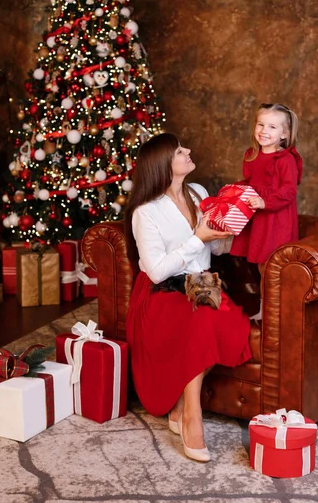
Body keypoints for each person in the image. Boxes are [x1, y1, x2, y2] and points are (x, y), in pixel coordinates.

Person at [125, 133, 252, 462]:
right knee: (201, 322)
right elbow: (156, 271)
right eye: (181, 151)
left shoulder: (198, 193)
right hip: (162, 292)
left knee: (229, 325)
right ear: (164, 165)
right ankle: (192, 416)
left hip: (202, 284)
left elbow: (212, 248)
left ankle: (180, 406)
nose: (189, 152)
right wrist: (197, 238)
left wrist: (227, 233)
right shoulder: (145, 212)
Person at [230, 103, 302, 270]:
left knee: (273, 264)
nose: (264, 131)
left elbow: (289, 190)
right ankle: (264, 296)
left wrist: (265, 202)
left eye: (272, 127)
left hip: (275, 218)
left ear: (284, 134)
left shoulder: (285, 160)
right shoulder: (251, 155)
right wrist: (234, 190)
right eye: (260, 124)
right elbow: (251, 182)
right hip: (257, 216)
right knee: (260, 264)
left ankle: (274, 296)